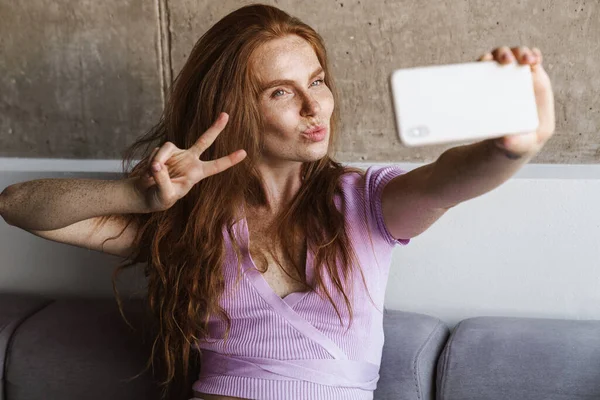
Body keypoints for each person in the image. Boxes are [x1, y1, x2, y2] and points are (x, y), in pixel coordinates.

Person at [0, 3, 555, 400]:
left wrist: (510, 149)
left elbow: (449, 180)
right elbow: (18, 205)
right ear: (234, 109)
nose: (315, 108)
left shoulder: (366, 203)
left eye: (317, 81)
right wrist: (134, 195)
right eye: (281, 92)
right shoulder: (185, 220)